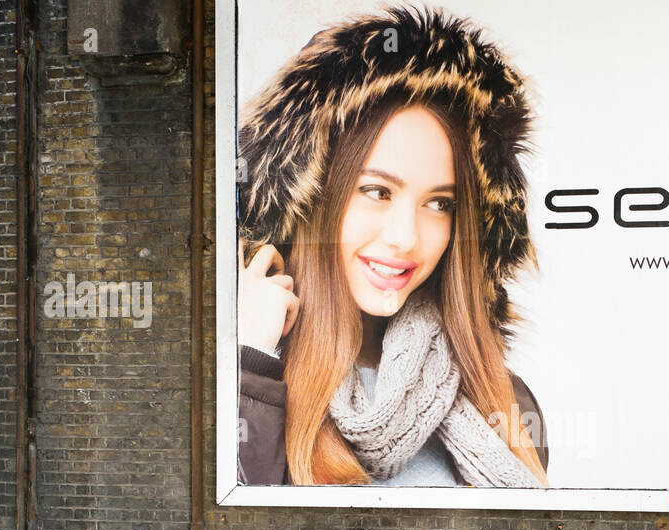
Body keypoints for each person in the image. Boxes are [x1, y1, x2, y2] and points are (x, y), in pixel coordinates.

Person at [235, 7, 548, 488]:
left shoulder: (504, 403)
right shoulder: (248, 378)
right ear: (314, 196)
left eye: (439, 203)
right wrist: (249, 360)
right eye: (377, 191)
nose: (406, 237)